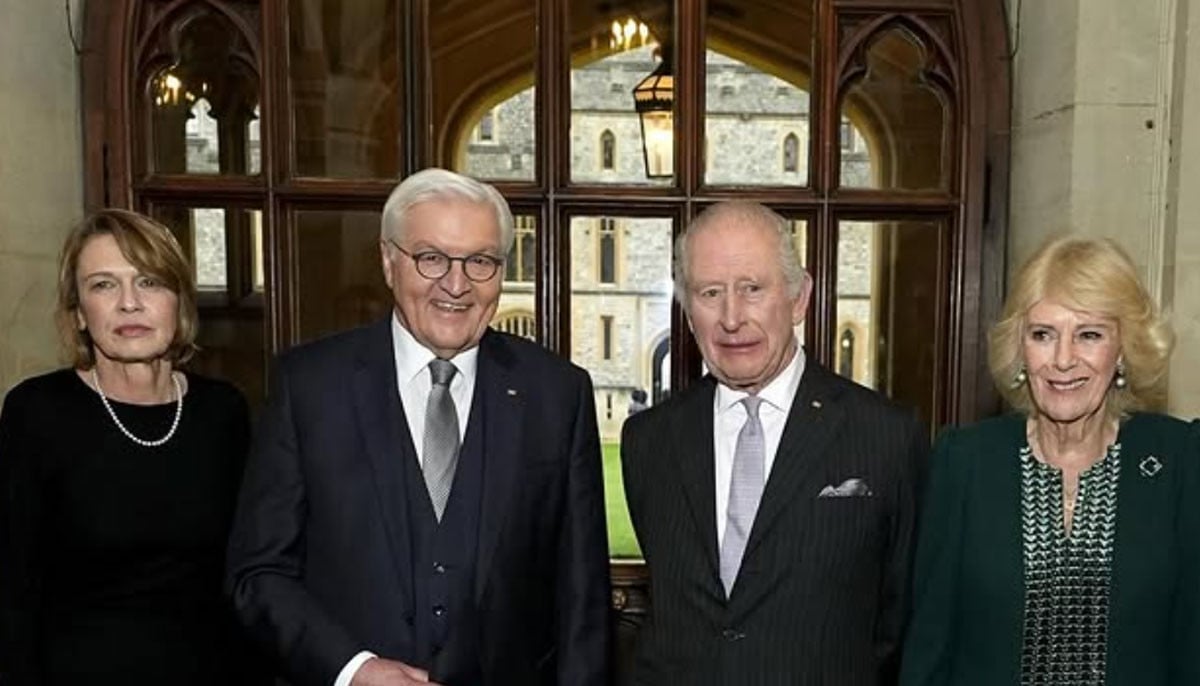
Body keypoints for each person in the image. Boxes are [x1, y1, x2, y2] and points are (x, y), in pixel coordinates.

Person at [226, 168, 610, 686]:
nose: (456, 284)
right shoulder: (310, 387)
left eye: (480, 261)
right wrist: (353, 670)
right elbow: (258, 574)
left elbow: (583, 598)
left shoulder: (557, 393)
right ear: (389, 262)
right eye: (431, 258)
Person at [621, 201, 927, 685]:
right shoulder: (648, 441)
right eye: (710, 292)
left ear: (799, 298)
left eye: (752, 289)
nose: (731, 317)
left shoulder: (886, 435)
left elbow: (901, 622)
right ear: (687, 310)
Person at [900, 236, 1200, 685]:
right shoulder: (965, 460)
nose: (1062, 360)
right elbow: (929, 647)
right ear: (1021, 347)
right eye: (1043, 334)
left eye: (1089, 335)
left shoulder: (1179, 460)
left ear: (1123, 349)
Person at [0, 209, 257, 684]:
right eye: (103, 285)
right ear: (79, 312)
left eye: (149, 282)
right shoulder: (38, 412)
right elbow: (13, 590)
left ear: (179, 302)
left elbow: (249, 577)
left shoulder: (223, 412)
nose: (129, 304)